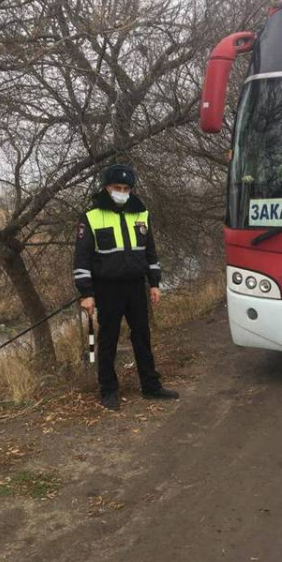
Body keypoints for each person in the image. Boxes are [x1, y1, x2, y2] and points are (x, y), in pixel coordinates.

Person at [73, 165, 179, 410]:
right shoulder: (91, 216)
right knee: (108, 339)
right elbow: (82, 258)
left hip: (135, 287)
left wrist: (155, 283)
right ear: (106, 188)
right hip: (107, 288)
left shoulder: (141, 213)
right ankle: (108, 391)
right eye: (116, 188)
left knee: (142, 336)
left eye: (126, 188)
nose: (121, 192)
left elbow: (150, 251)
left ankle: (151, 386)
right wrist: (86, 293)